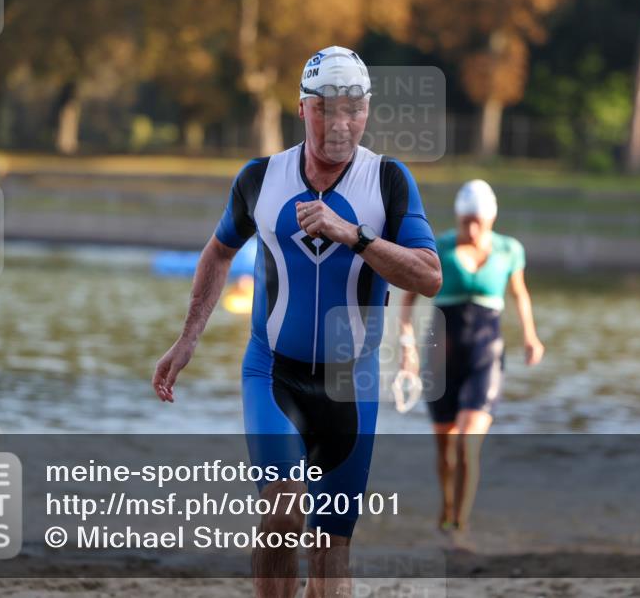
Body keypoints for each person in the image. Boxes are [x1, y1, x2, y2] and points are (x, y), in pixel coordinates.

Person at [152, 46, 442, 598]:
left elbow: (429, 277)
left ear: (367, 111)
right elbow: (217, 253)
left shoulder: (389, 182)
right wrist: (187, 339)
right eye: (326, 107)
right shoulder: (262, 178)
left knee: (332, 564)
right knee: (283, 512)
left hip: (348, 383)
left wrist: (353, 235)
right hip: (272, 373)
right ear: (303, 108)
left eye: (354, 108)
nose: (340, 122)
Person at [398, 179, 544, 550]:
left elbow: (520, 294)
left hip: (486, 358)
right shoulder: (439, 248)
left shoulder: (510, 250)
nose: (473, 229)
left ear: (492, 218)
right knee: (445, 449)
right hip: (440, 360)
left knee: (467, 443)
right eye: (466, 221)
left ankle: (459, 525)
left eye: (479, 221)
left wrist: (530, 335)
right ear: (458, 218)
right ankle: (446, 509)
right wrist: (408, 348)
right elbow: (407, 300)